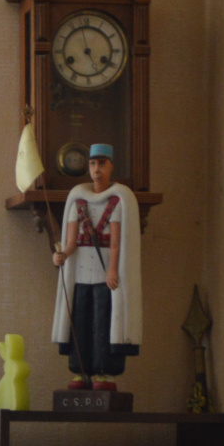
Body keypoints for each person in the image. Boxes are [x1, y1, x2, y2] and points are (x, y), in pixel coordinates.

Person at [50, 145, 142, 388]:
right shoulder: (77, 202)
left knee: (103, 320)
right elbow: (71, 243)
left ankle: (104, 371)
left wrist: (112, 270)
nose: (96, 169)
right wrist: (61, 255)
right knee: (80, 321)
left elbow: (116, 243)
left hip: (104, 276)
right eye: (92, 164)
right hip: (81, 274)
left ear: (111, 166)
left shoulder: (117, 201)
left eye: (102, 164)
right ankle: (80, 370)